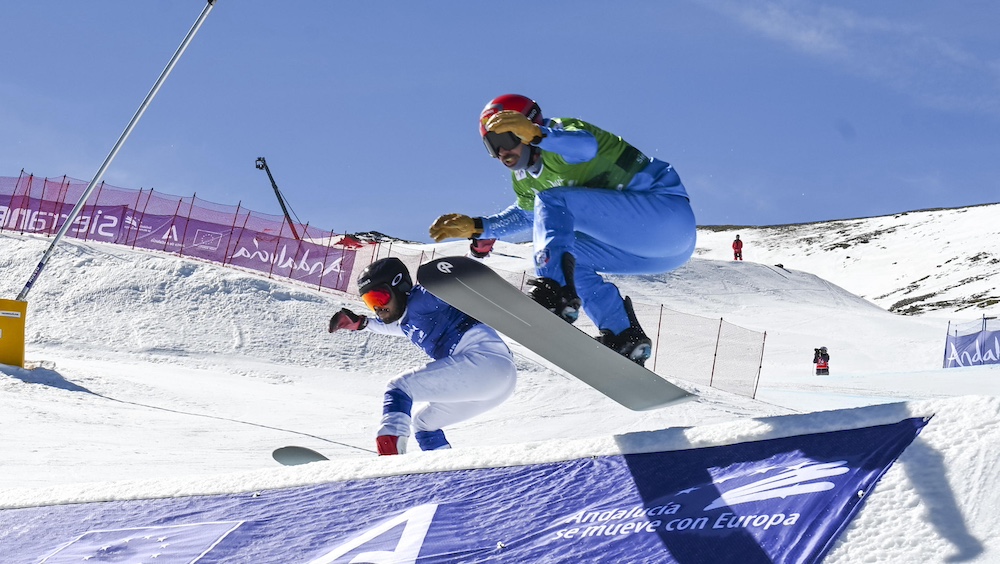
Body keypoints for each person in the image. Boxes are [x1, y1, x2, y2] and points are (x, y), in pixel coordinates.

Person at [429, 94, 696, 366]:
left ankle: (553, 290)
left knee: (551, 201)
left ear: (528, 125)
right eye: (491, 146)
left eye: (505, 139)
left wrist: (538, 135)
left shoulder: (560, 135)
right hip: (658, 252)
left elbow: (585, 148)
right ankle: (624, 336)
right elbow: (527, 215)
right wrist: (478, 226)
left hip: (666, 216)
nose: (501, 153)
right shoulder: (523, 181)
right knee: (570, 253)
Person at [327, 257, 517, 455]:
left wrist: (450, 275)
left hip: (487, 363)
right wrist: (361, 323)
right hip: (495, 385)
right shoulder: (408, 320)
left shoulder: (423, 299)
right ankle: (446, 469)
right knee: (425, 423)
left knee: (399, 388)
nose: (377, 308)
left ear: (399, 286)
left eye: (379, 297)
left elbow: (453, 289)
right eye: (369, 302)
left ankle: (389, 458)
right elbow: (391, 326)